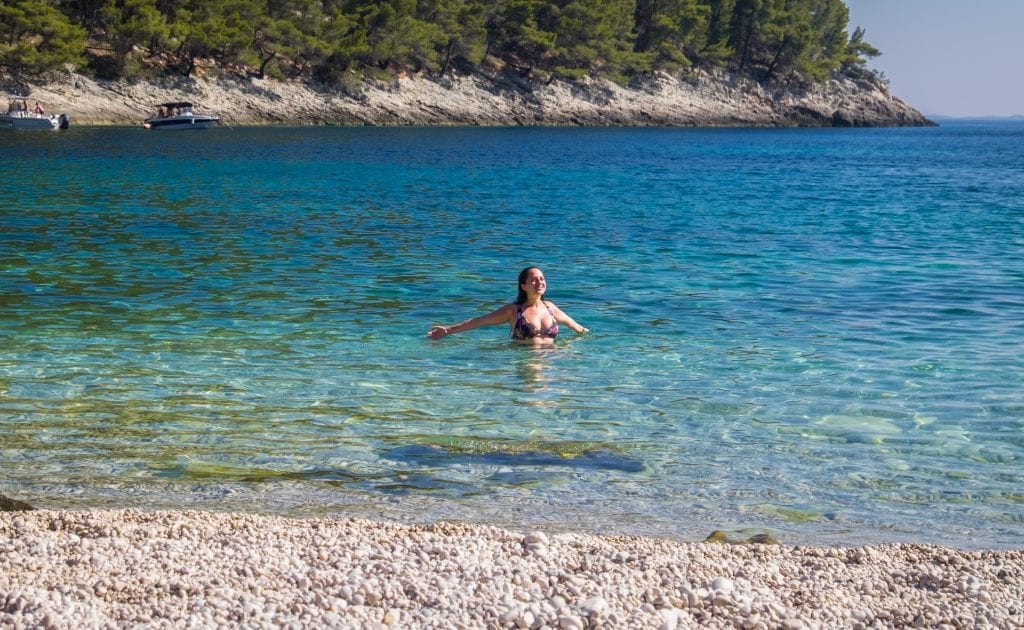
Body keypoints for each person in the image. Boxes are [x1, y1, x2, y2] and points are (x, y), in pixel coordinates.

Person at [427, 266, 589, 344]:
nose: (539, 282)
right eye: (533, 279)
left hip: (552, 362)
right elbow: (479, 321)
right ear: (523, 286)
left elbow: (577, 328)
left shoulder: (550, 307)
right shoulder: (513, 310)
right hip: (524, 363)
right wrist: (448, 330)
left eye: (542, 278)